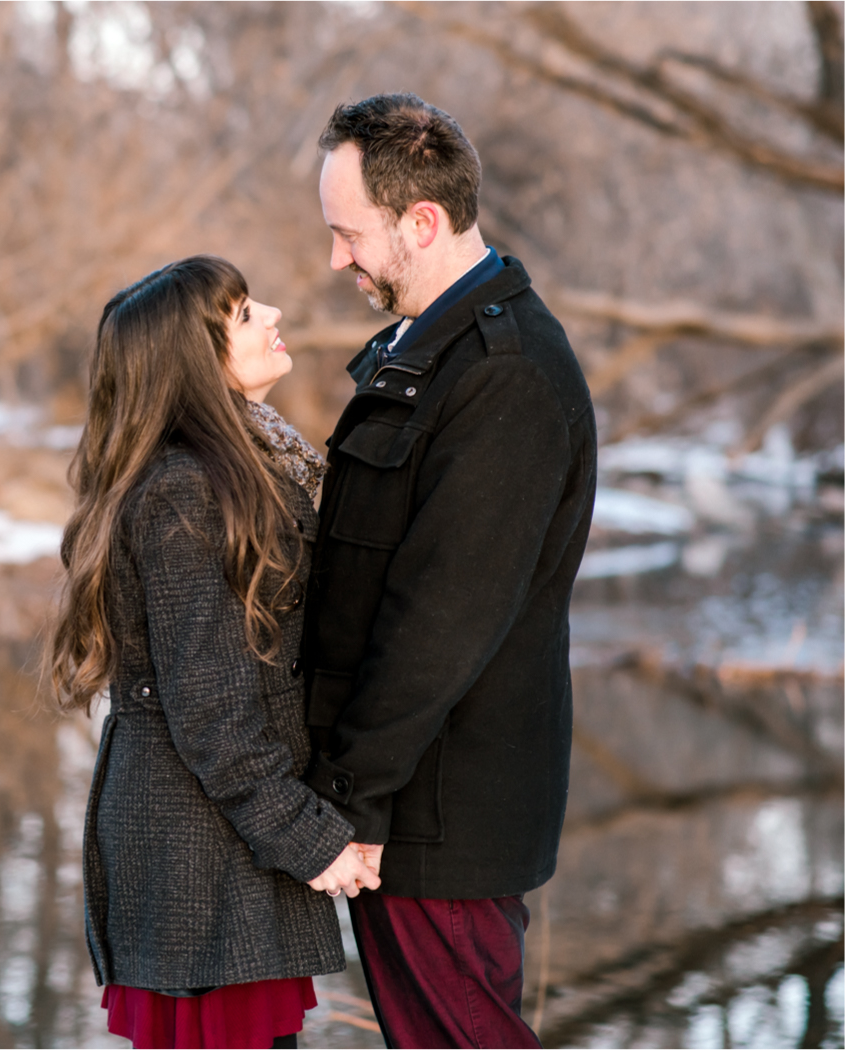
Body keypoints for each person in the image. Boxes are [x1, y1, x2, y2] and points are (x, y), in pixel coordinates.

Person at [301, 93, 597, 1049]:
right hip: (405, 812)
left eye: (348, 234)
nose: (336, 257)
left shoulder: (502, 373)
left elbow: (440, 622)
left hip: (436, 821)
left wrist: (348, 805)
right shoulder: (422, 350)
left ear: (420, 222)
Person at [51, 256, 381, 1050]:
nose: (270, 312)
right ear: (192, 363)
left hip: (221, 848)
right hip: (197, 859)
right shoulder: (183, 490)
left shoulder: (243, 466)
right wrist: (310, 839)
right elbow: (210, 709)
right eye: (240, 314)